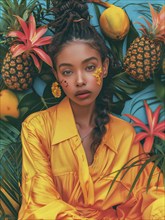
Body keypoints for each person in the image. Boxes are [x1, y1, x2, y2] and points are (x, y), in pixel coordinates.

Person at [18, 0, 165, 219]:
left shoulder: (124, 134)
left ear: (104, 68)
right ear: (57, 75)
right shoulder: (37, 128)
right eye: (67, 72)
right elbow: (40, 203)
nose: (80, 81)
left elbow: (151, 196)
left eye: (89, 68)